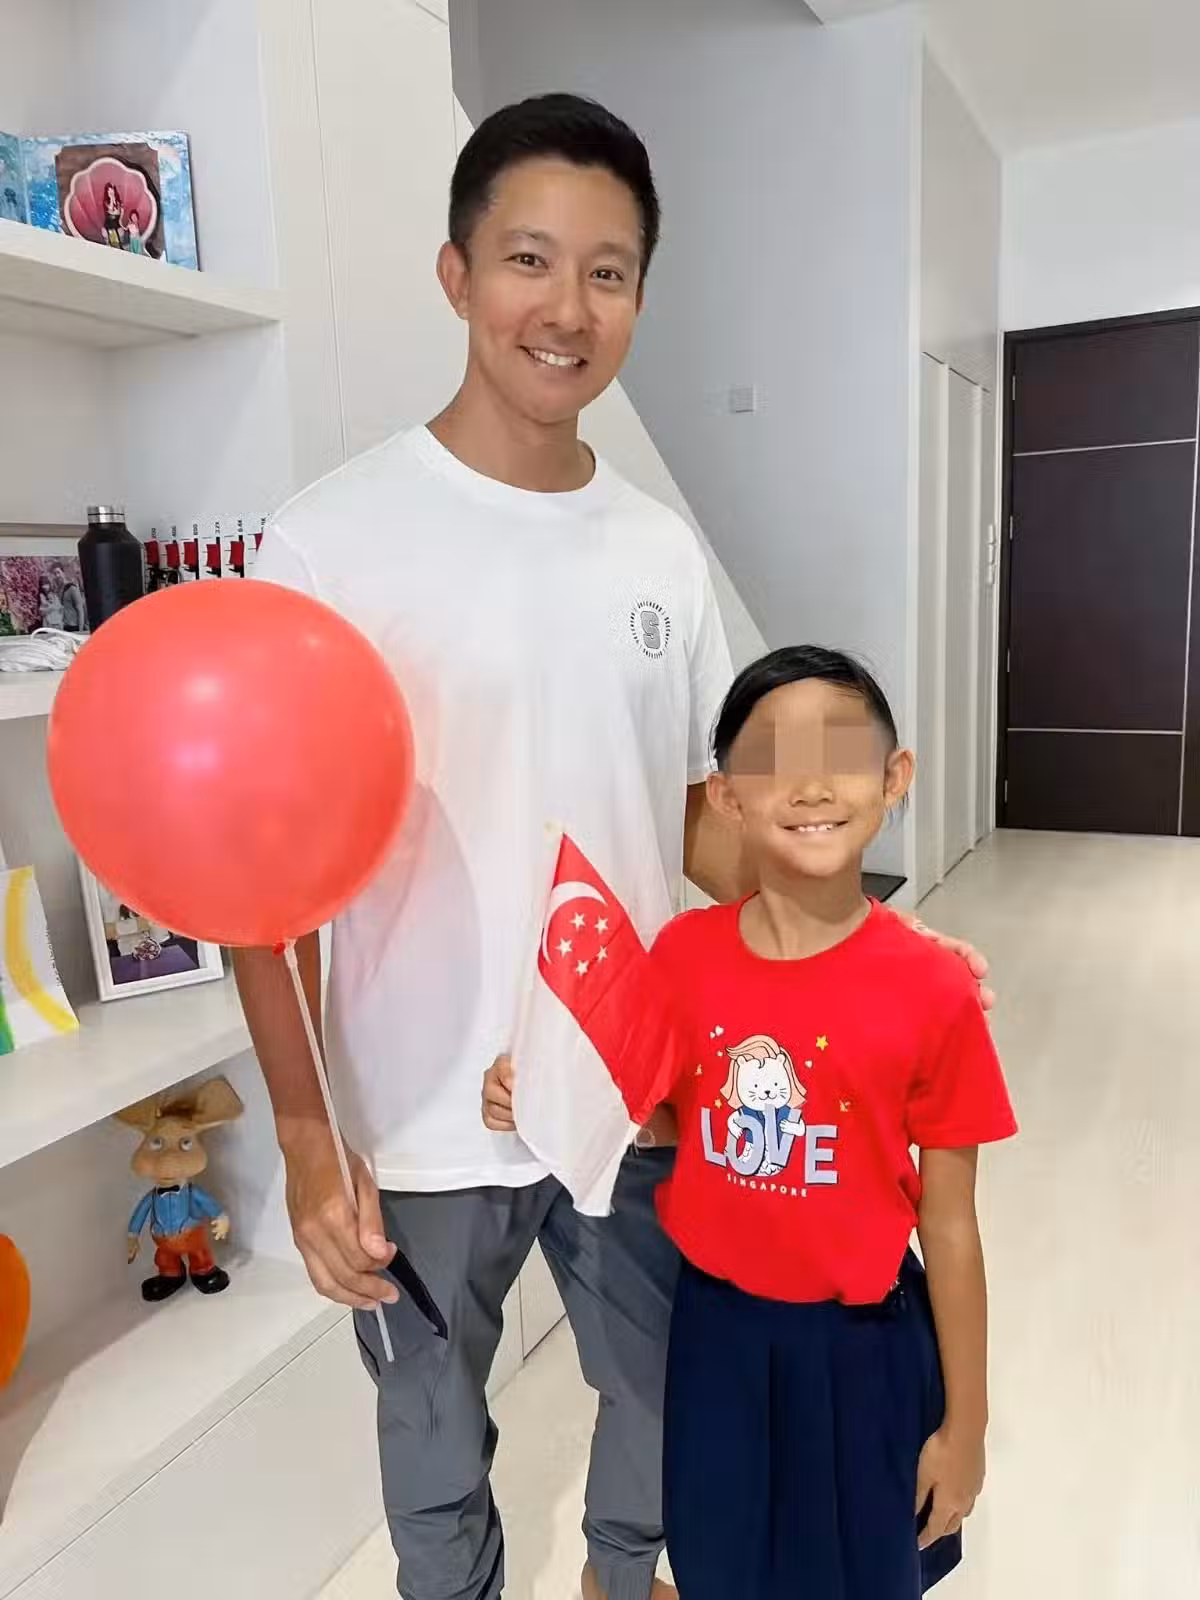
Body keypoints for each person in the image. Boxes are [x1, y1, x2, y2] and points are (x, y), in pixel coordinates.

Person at [234, 95, 990, 1600]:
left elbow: (703, 817)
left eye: (609, 271)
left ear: (641, 293)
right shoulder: (327, 542)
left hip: (640, 1090)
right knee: (430, 1440)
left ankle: (619, 1580)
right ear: (456, 273)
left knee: (660, 1401)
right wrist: (311, 1142)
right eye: (529, 259)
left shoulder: (657, 549)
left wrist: (867, 941)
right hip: (418, 1113)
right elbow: (263, 881)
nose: (567, 308)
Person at [489, 645, 1015, 1599]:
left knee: (859, 1573)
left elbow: (951, 1225)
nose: (811, 785)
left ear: (895, 777)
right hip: (716, 1337)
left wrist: (967, 1426)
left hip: (862, 1349)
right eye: (773, 761)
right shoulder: (683, 958)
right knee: (720, 1564)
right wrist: (542, 1095)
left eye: (842, 754)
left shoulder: (933, 988)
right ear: (727, 797)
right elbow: (665, 1120)